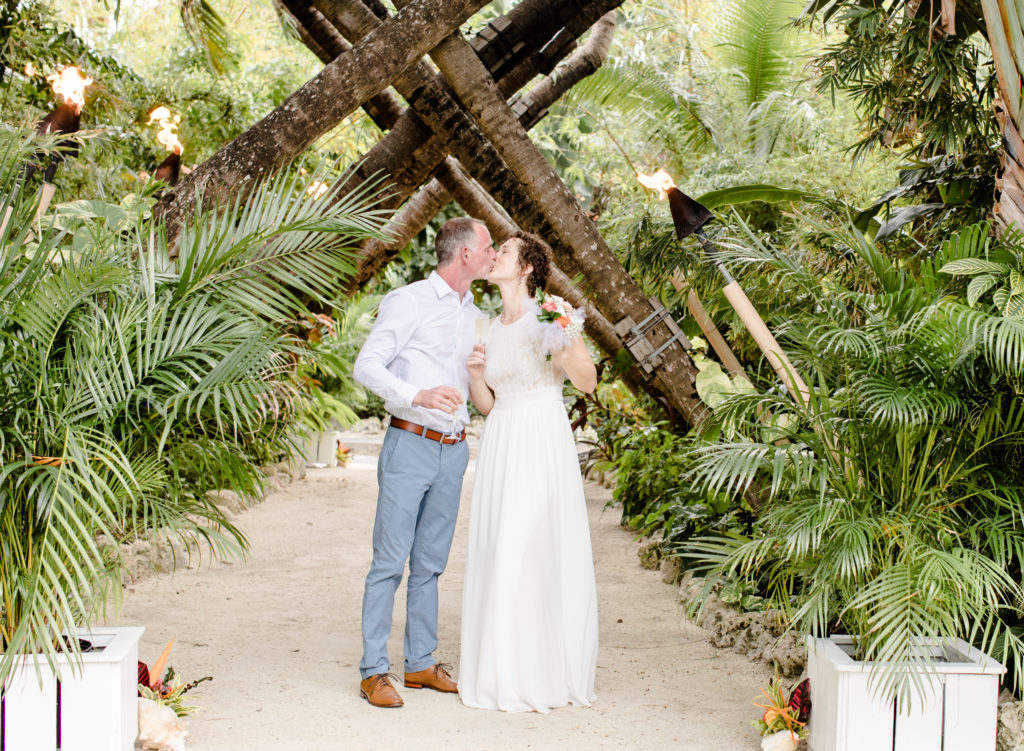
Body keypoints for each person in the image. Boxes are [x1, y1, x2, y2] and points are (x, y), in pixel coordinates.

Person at [353, 217, 496, 708]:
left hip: (454, 451)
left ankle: (419, 664)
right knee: (390, 562)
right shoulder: (409, 300)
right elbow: (366, 365)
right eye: (489, 246)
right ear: (464, 255)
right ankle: (375, 671)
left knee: (431, 564)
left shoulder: (474, 311)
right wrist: (417, 394)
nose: (494, 253)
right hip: (409, 444)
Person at [459, 232, 600, 713]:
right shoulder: (489, 328)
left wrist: (563, 351)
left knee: (528, 548)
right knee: (498, 548)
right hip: (502, 437)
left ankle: (541, 674)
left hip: (541, 436)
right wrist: (477, 379)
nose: (495, 255)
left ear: (526, 269)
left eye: (505, 252)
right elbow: (487, 404)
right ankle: (503, 672)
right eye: (495, 250)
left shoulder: (550, 314)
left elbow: (588, 380)